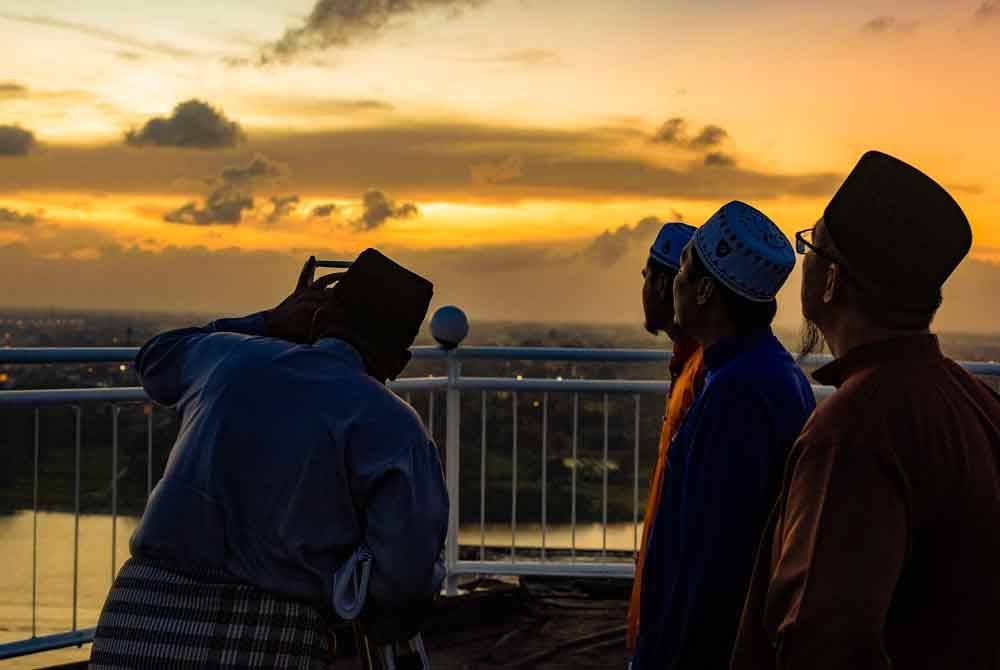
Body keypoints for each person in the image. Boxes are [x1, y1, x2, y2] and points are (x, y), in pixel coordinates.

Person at [91, 249, 449, 669]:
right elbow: (404, 578)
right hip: (275, 632)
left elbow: (155, 357)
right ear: (399, 361)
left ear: (315, 316)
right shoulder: (395, 427)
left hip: (140, 614)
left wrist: (268, 323)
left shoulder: (229, 358)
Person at [732, 151, 1000, 670]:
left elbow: (822, 636)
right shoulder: (979, 403)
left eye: (810, 245)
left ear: (831, 281)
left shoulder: (854, 429)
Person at [632, 201, 815, 669]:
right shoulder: (757, 374)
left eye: (683, 271)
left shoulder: (740, 393)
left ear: (704, 292)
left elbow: (714, 560)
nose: (673, 281)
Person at [627, 221, 706, 651]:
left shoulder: (704, 371)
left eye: (646, 276)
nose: (644, 288)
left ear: (665, 285)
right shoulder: (692, 364)